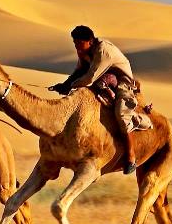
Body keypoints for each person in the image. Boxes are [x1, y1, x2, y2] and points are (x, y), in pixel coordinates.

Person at [50, 25, 150, 174]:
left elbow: (90, 77)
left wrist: (70, 85)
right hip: (102, 78)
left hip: (122, 79)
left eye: (79, 43)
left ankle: (131, 156)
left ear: (89, 41)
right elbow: (79, 71)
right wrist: (64, 85)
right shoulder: (83, 52)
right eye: (74, 43)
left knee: (121, 113)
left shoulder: (103, 51)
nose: (76, 46)